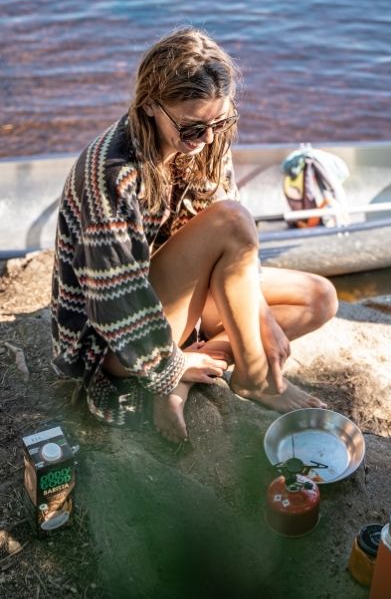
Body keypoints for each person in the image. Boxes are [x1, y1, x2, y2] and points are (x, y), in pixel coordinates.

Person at [50, 27, 335, 443]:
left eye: (220, 121)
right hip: (115, 341)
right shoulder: (113, 176)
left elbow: (232, 255)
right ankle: (253, 377)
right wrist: (167, 373)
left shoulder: (207, 138)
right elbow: (114, 303)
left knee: (318, 299)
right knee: (234, 220)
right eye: (192, 129)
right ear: (149, 105)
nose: (208, 139)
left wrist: (261, 316)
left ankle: (200, 364)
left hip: (179, 302)